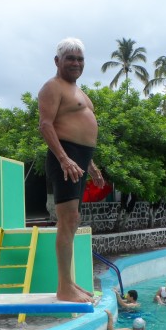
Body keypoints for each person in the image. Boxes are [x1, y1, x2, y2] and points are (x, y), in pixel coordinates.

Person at [38, 37, 105, 303]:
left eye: (80, 59)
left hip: (80, 157)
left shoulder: (81, 93)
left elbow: (82, 130)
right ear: (58, 61)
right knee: (67, 221)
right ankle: (63, 287)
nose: (76, 63)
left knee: (74, 220)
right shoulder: (52, 88)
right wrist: (65, 159)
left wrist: (91, 165)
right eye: (70, 59)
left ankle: (70, 283)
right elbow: (46, 125)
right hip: (64, 157)